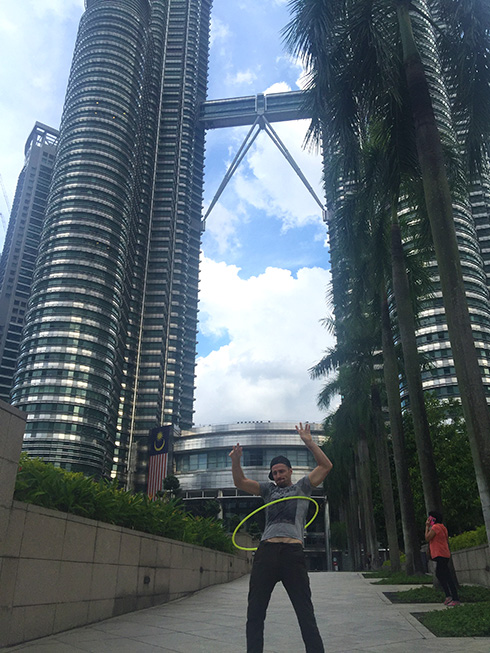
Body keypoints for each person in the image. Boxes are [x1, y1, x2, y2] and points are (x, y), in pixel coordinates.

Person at [229, 422, 333, 653]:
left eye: (281, 471)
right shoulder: (268, 491)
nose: (278, 476)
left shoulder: (302, 487)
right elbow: (240, 483)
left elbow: (326, 466)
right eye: (275, 473)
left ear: (290, 471)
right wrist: (236, 461)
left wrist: (308, 441)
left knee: (305, 612)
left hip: (292, 554)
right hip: (266, 553)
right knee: (255, 612)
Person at [425, 511, 460, 606]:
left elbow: (427, 538)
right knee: (441, 574)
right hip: (444, 554)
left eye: (430, 518)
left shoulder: (436, 527)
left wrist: (427, 526)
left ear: (434, 519)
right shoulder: (443, 527)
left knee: (444, 575)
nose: (429, 520)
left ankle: (454, 597)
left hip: (440, 554)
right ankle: (449, 595)